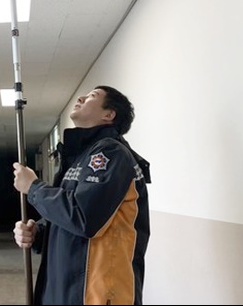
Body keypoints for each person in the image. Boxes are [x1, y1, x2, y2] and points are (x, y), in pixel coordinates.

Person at [13, 85, 150, 305]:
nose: (81, 98)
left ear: (109, 115)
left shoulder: (111, 154)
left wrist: (34, 187)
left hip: (96, 294)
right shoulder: (79, 157)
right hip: (67, 288)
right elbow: (68, 218)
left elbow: (85, 218)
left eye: (92, 96)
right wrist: (37, 232)